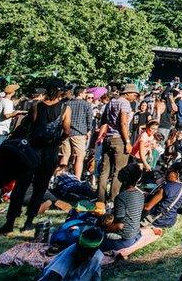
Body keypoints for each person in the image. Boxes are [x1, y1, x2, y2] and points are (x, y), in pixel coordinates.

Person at [0, 78, 71, 234]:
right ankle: (29, 222)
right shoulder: (65, 109)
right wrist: (57, 141)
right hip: (49, 153)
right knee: (40, 187)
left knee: (20, 187)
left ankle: (9, 222)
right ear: (60, 91)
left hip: (32, 151)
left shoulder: (36, 106)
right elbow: (67, 131)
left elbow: (30, 125)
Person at [95, 84, 135, 214]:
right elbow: (123, 123)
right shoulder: (124, 103)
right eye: (134, 94)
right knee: (119, 171)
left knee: (104, 171)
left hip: (108, 139)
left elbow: (105, 121)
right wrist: (127, 142)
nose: (135, 97)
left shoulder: (112, 101)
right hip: (119, 139)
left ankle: (100, 200)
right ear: (127, 93)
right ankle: (113, 200)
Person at [100, 164, 143, 252]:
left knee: (93, 239)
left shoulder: (121, 197)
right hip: (136, 234)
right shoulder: (140, 195)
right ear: (138, 179)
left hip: (125, 239)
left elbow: (119, 226)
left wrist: (103, 228)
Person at [37, 225, 104, 281]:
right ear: (78, 247)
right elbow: (55, 274)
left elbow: (96, 277)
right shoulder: (70, 253)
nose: (85, 254)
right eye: (83, 251)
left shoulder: (97, 257)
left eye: (88, 252)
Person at [60, 86, 93, 180]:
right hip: (79, 133)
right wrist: (88, 130)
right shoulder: (86, 105)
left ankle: (60, 177)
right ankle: (77, 179)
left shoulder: (66, 103)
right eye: (85, 92)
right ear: (81, 93)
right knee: (79, 157)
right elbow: (89, 120)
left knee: (65, 155)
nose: (86, 94)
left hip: (66, 132)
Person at [143, 165, 182, 230]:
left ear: (177, 174)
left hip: (156, 221)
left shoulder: (167, 186)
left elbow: (147, 207)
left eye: (170, 171)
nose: (167, 173)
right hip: (169, 222)